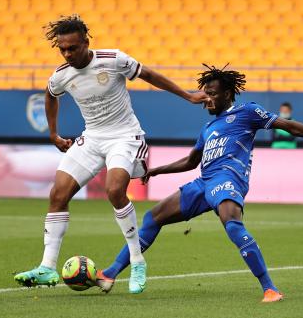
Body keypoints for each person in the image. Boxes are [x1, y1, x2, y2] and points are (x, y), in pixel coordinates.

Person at [96, 64, 303, 302]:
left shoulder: (247, 112)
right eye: (205, 92)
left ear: (228, 94)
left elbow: (290, 127)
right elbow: (190, 162)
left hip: (228, 179)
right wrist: (155, 171)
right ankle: (109, 273)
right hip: (203, 182)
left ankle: (270, 288)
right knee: (153, 217)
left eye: (212, 93)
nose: (206, 98)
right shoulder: (208, 128)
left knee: (232, 225)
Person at [13, 15, 209, 294]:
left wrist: (188, 95)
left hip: (125, 136)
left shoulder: (113, 59)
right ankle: (47, 267)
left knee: (115, 189)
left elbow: (150, 75)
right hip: (92, 138)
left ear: (85, 42)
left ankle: (138, 262)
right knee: (58, 194)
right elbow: (50, 94)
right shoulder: (61, 75)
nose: (67, 54)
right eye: (62, 49)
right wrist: (53, 134)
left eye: (72, 48)